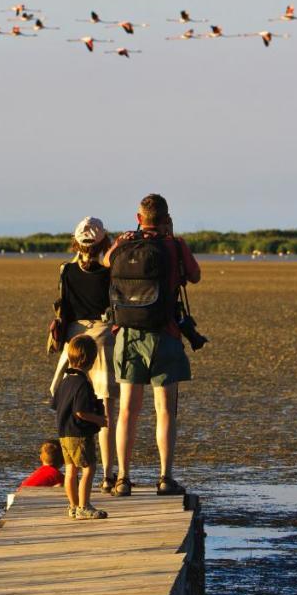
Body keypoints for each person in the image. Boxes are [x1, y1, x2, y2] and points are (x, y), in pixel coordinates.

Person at [103, 193, 201, 497]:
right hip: (165, 334)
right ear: (166, 218)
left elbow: (106, 262)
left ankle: (123, 478)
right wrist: (172, 239)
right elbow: (195, 276)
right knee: (165, 411)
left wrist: (124, 240)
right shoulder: (175, 245)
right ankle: (164, 477)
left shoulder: (124, 243)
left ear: (138, 218)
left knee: (127, 411)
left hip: (128, 334)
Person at [48, 216, 119, 492]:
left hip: (74, 340)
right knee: (105, 411)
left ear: (76, 241)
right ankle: (108, 474)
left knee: (72, 405)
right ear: (103, 241)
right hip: (103, 338)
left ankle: (74, 472)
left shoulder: (65, 270)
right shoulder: (109, 272)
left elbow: (63, 307)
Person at [50, 335, 109, 519]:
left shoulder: (65, 381)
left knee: (70, 470)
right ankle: (84, 506)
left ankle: (73, 506)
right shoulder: (82, 383)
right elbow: (80, 412)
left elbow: (55, 405)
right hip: (79, 434)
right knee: (89, 468)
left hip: (64, 433)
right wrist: (99, 420)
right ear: (91, 361)